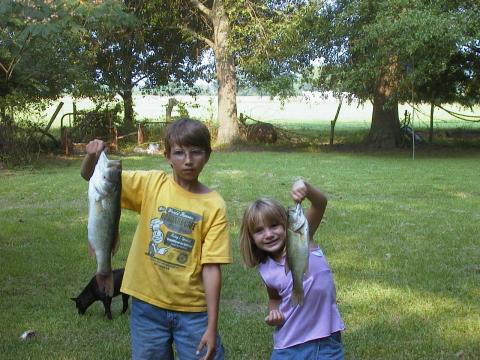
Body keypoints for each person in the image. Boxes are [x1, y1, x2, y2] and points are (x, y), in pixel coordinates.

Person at [81, 118, 232, 360]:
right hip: (146, 306)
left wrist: (211, 326)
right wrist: (91, 156)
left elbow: (212, 267)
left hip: (194, 311)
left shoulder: (214, 205)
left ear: (208, 155)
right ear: (167, 156)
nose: (188, 160)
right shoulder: (152, 184)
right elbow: (91, 177)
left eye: (196, 152)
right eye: (179, 153)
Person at [239, 180, 345, 360]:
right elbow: (274, 298)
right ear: (251, 238)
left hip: (327, 343)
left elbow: (320, 204)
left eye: (274, 225)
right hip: (288, 347)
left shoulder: (303, 238)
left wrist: (306, 187)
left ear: (286, 223)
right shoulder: (266, 270)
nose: (269, 234)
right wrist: (274, 312)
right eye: (259, 231)